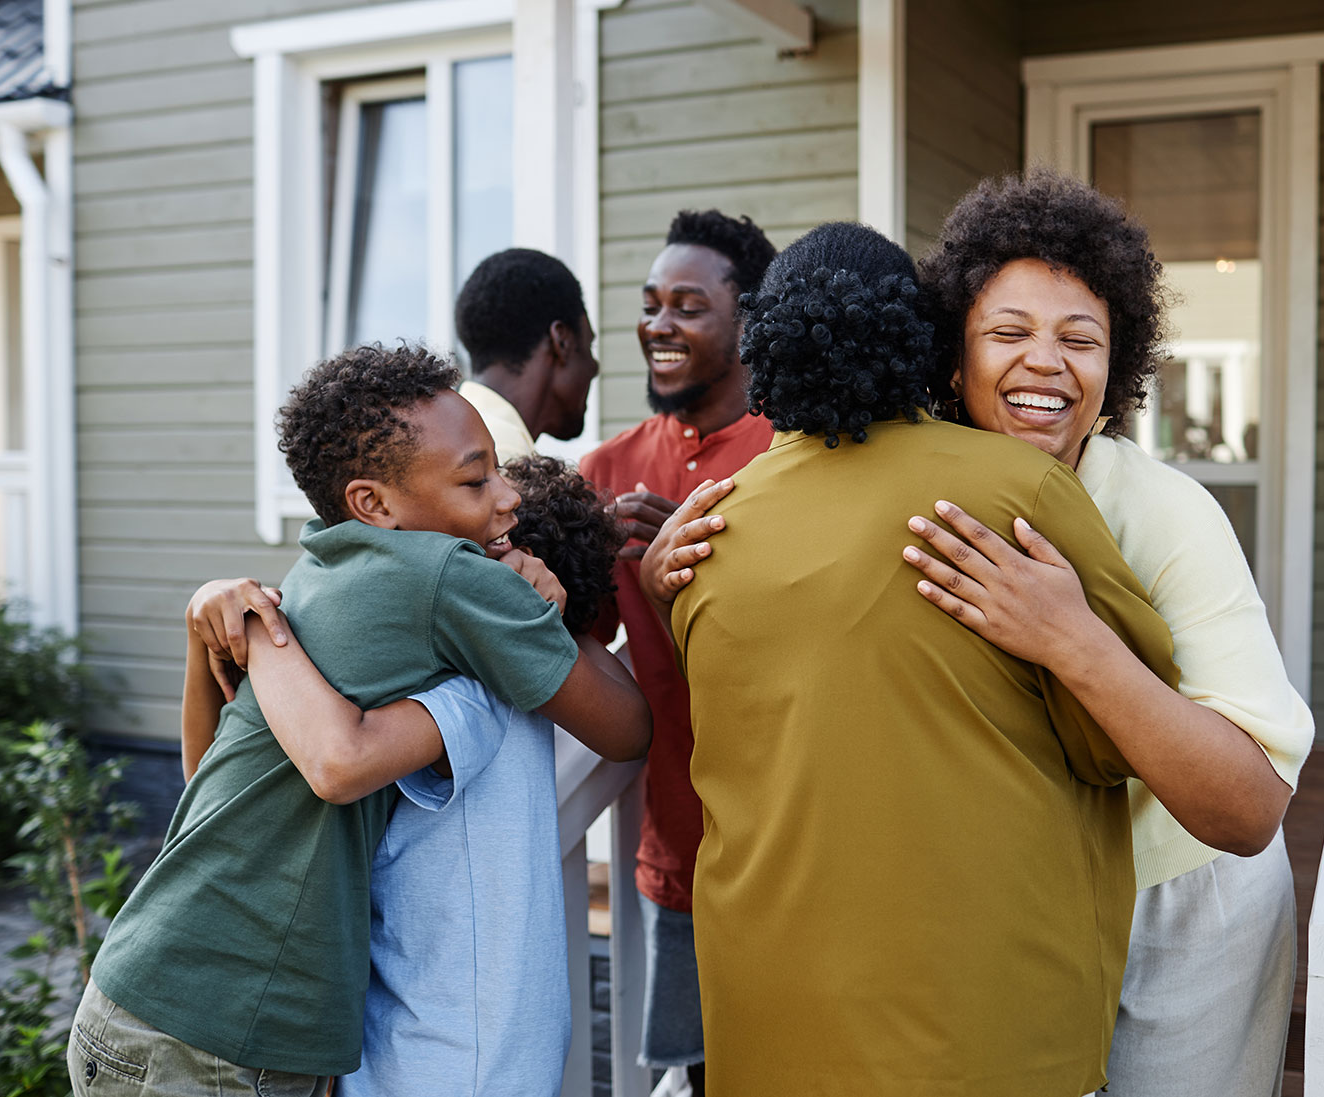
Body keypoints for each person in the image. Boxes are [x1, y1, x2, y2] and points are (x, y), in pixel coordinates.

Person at [654, 221, 1179, 1096]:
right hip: (987, 1036)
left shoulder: (706, 529)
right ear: (929, 343)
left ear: (761, 347)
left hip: (765, 1029)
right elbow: (1122, 739)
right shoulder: (1019, 490)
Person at [71, 345, 649, 1097]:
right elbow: (627, 730)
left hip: (141, 989)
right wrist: (549, 618)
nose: (505, 497)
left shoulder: (320, 572)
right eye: (475, 479)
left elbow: (203, 775)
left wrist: (204, 625)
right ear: (373, 503)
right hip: (220, 1031)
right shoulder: (453, 575)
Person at [903, 171, 1312, 1096]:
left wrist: (1072, 638)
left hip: (1182, 903)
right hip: (1009, 899)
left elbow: (1248, 808)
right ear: (953, 357)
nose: (1046, 362)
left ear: (1114, 368)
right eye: (1009, 332)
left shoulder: (1170, 514)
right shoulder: (916, 489)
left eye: (1079, 339)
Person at [181, 455, 634, 1097]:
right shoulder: (455, 678)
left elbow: (329, 761)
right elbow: (215, 775)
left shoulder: (473, 695)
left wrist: (253, 632)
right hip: (455, 1045)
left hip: (444, 1057)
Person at [578, 209, 775, 1091]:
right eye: (651, 303)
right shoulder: (606, 471)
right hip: (682, 845)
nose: (659, 324)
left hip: (797, 846)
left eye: (688, 306)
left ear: (749, 319)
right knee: (698, 1076)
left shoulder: (791, 453)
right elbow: (569, 641)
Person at [454, 247, 600, 460]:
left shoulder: (451, 436)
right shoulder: (502, 456)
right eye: (589, 347)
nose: (594, 367)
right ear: (562, 342)